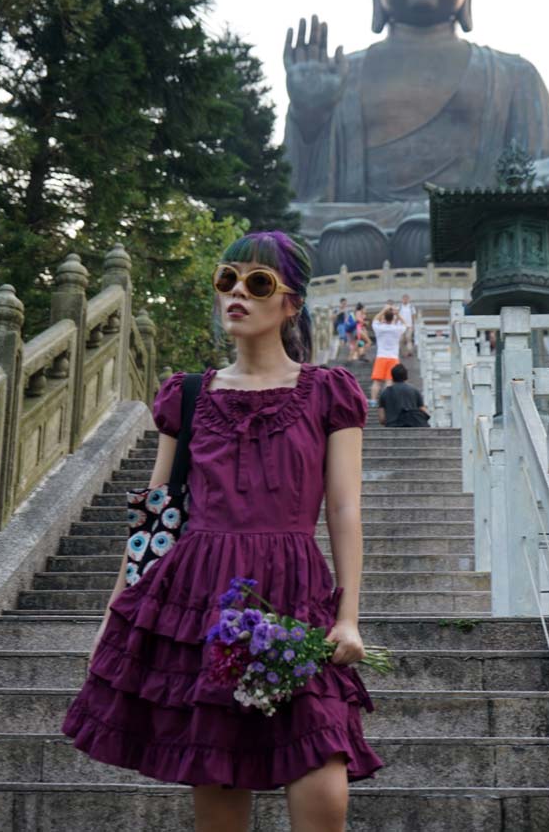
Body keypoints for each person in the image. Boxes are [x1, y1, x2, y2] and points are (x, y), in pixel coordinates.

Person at [61, 230, 382, 831]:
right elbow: (159, 514)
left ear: (291, 303)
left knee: (323, 782)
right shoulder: (187, 395)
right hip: (201, 597)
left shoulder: (328, 393)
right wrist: (116, 608)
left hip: (292, 592)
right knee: (217, 779)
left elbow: (343, 509)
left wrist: (349, 616)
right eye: (226, 279)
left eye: (257, 283)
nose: (237, 292)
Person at [369, 306, 406, 406]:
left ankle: (373, 400)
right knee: (389, 381)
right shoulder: (396, 329)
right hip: (393, 357)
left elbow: (375, 320)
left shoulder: (379, 328)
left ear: (384, 318)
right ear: (393, 318)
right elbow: (405, 324)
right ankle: (387, 402)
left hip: (381, 356)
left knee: (377, 381)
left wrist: (383, 310)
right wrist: (397, 314)